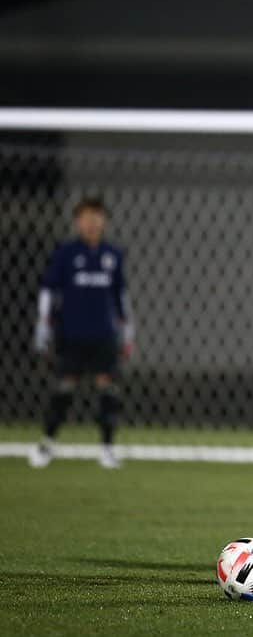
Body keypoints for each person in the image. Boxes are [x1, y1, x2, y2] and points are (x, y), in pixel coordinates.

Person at [30, 197, 134, 469]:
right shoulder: (65, 253)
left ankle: (107, 449)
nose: (92, 223)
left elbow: (121, 295)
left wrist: (128, 328)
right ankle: (47, 443)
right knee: (64, 389)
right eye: (86, 217)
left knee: (108, 390)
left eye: (97, 217)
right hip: (72, 332)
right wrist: (43, 323)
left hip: (104, 333)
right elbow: (48, 290)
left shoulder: (113, 254)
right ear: (77, 221)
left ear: (105, 221)